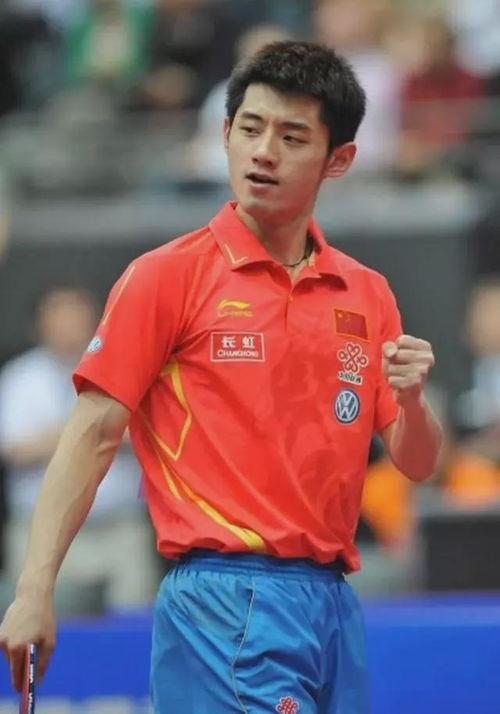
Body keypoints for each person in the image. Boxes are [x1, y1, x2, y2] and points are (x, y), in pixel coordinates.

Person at [0, 41, 442, 712]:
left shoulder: (367, 292)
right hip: (224, 600)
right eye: (250, 128)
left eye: (292, 137)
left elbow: (417, 462)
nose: (264, 152)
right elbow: (90, 437)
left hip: (331, 605)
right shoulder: (166, 277)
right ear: (225, 133)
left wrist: (411, 400)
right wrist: (34, 589)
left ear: (339, 159)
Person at [0, 286, 157, 611]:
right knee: (41, 619)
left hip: (121, 527)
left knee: (133, 622)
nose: (68, 326)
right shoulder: (19, 378)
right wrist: (97, 432)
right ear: (39, 324)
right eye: (58, 317)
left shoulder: (127, 366)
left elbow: (152, 433)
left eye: (76, 316)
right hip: (42, 530)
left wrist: (67, 437)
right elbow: (14, 449)